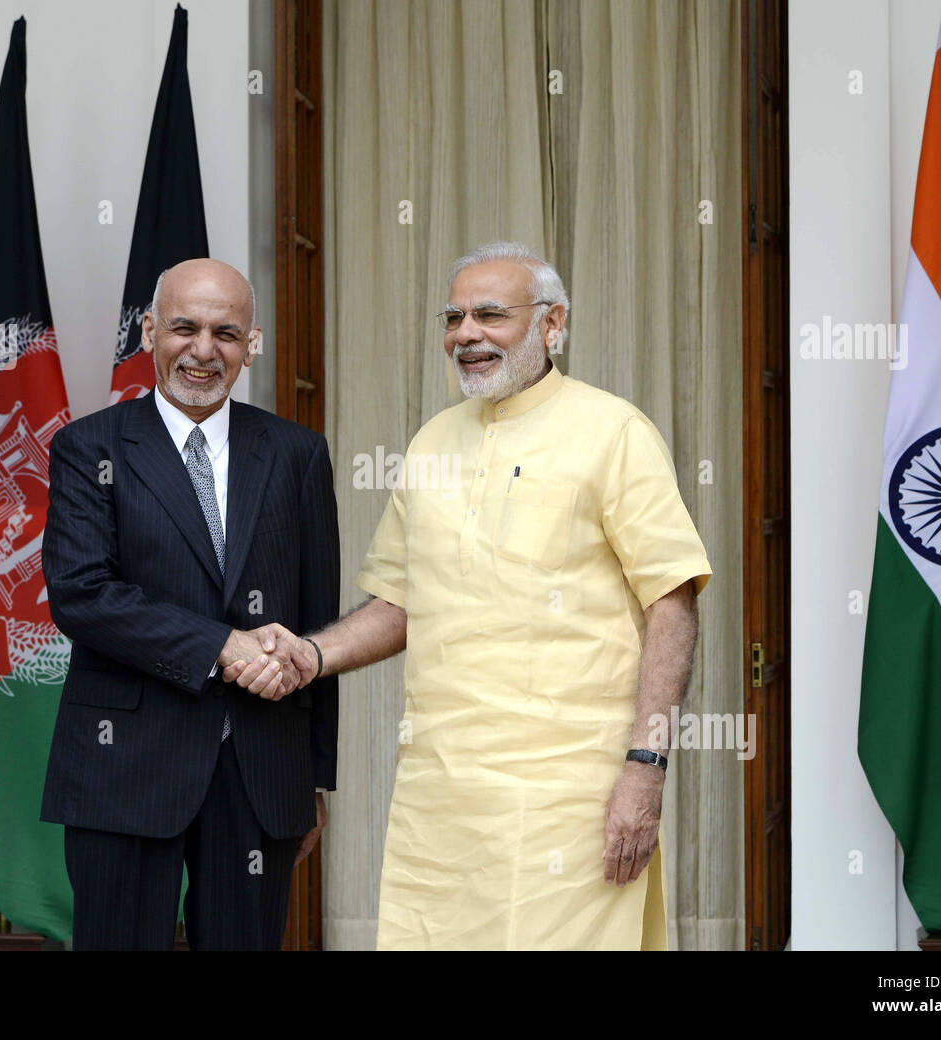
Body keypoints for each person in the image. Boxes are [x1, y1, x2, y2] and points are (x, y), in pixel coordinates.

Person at [228, 241, 710, 949]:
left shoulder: (615, 433)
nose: (466, 334)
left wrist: (647, 766)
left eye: (491, 314)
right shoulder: (430, 444)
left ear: (553, 325)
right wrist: (310, 654)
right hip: (443, 794)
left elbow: (672, 603)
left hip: (570, 794)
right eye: (454, 317)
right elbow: (400, 603)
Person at [40, 258, 337, 950]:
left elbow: (318, 624)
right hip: (123, 769)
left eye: (226, 333)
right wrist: (220, 646)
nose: (204, 351)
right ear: (149, 331)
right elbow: (83, 595)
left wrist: (313, 780)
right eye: (185, 327)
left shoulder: (298, 455)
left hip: (261, 773)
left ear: (251, 345)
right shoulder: (88, 449)